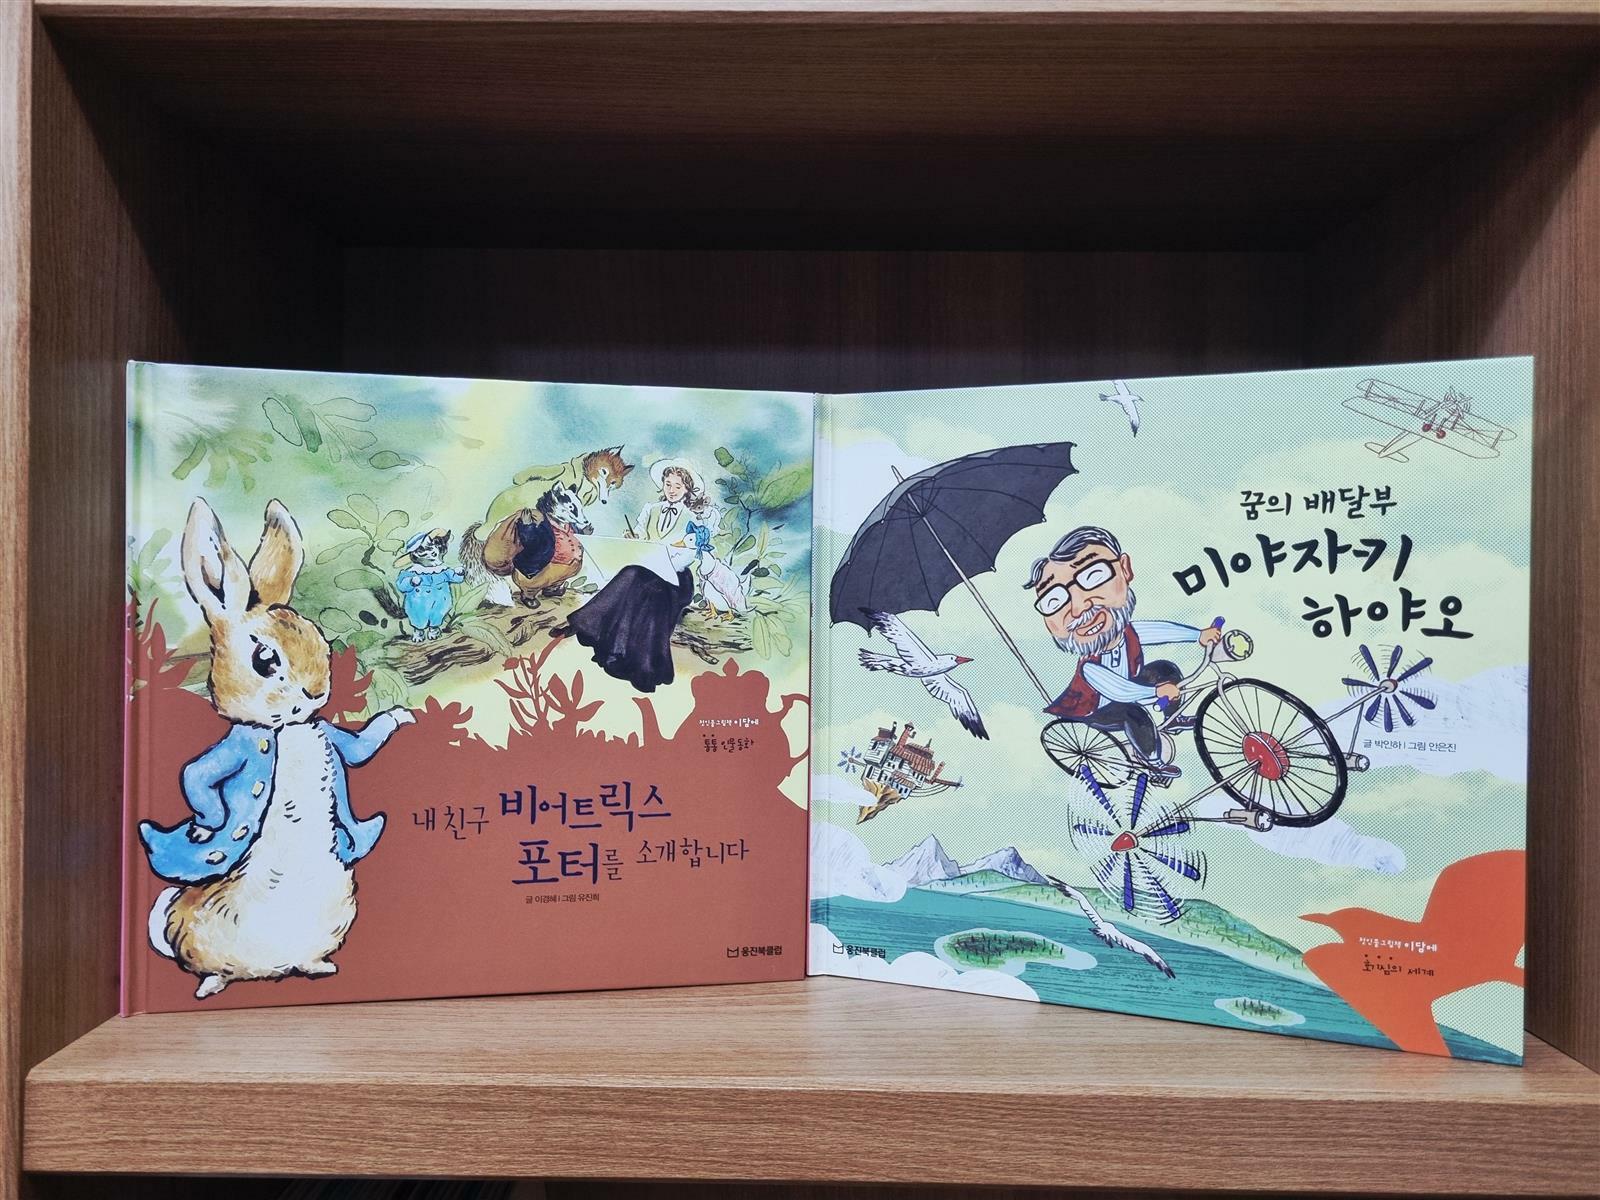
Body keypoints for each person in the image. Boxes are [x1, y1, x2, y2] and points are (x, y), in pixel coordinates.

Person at [1026, 525, 1220, 781]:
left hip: (1129, 685)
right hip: (1096, 710)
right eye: (1054, 601)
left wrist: (1198, 635)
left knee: (1165, 669)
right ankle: (1154, 763)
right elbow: (1119, 691)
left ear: (1125, 568)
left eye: (1092, 576)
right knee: (1133, 714)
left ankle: (1173, 716)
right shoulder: (1090, 667)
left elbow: (1159, 631)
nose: (1079, 608)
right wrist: (1155, 692)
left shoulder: (1127, 632)